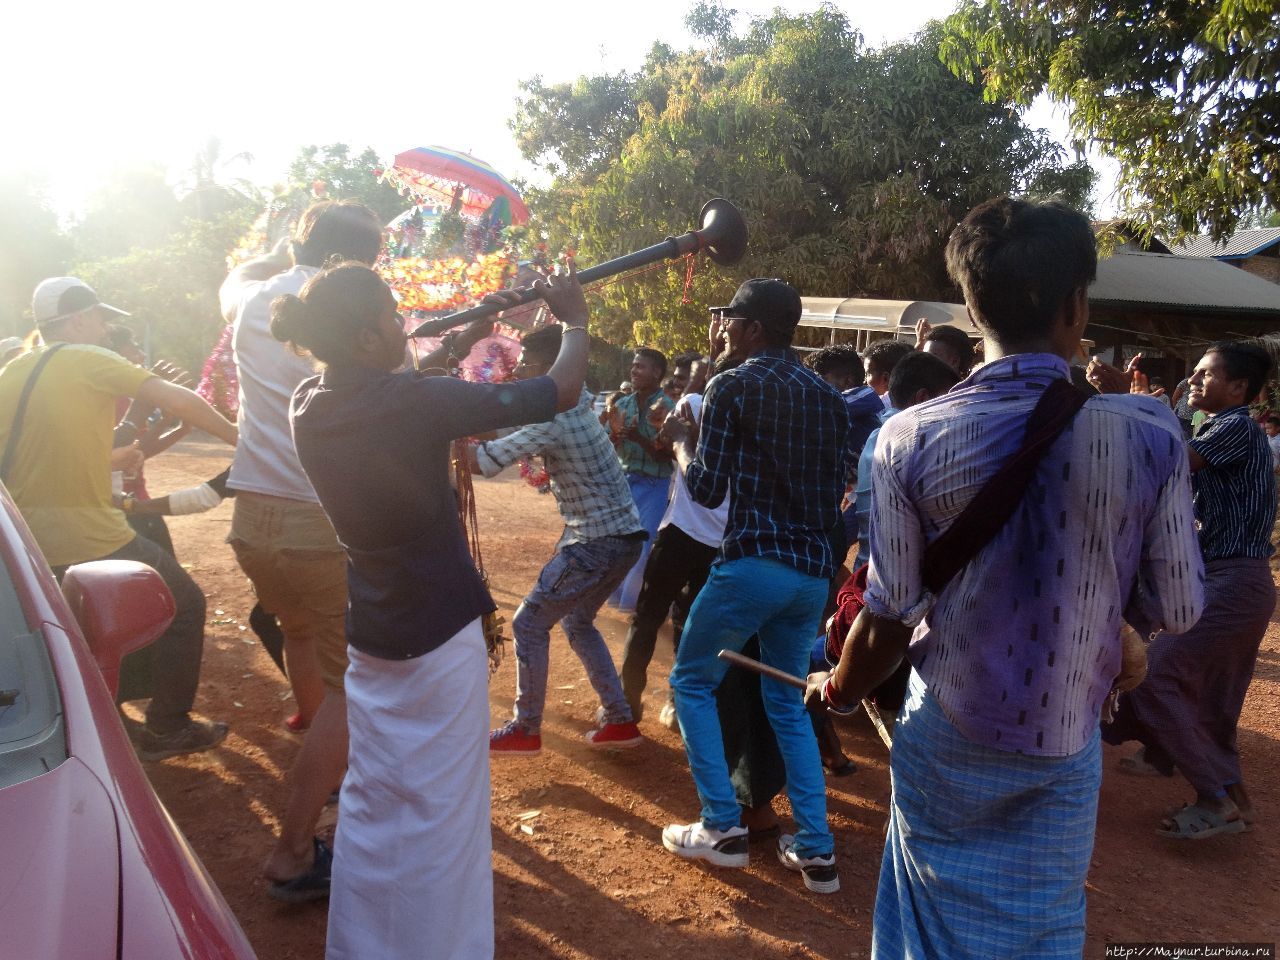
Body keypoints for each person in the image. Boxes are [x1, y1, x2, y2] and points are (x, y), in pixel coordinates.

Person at [808, 198, 1204, 958]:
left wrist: (842, 688)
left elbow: (889, 615)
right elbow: (1180, 606)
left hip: (946, 727)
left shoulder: (907, 437)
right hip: (1066, 733)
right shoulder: (1152, 430)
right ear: (1077, 303)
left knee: (928, 919)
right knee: (1045, 922)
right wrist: (1118, 622)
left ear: (969, 302)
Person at [280, 259, 591, 960]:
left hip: (376, 627)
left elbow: (397, 388)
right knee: (441, 811)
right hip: (439, 631)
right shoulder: (413, 405)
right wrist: (572, 318)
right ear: (365, 337)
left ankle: (363, 945)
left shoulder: (311, 401)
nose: (405, 324)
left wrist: (469, 334)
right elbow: (562, 389)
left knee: (375, 796)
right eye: (394, 317)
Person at [661, 278, 850, 895]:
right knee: (785, 705)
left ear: (753, 329)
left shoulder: (731, 385)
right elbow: (833, 496)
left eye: (729, 321)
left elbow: (709, 489)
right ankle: (816, 851)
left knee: (690, 679)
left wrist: (682, 445)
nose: (722, 331)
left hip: (751, 565)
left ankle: (721, 827)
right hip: (810, 574)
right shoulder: (827, 395)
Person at [1, 277, 239, 760]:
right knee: (182, 604)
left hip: (27, 542)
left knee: (68, 635)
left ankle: (100, 723)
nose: (106, 328)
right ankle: (168, 725)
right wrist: (244, 439)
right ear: (78, 319)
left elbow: (61, 448)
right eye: (100, 317)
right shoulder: (88, 359)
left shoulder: (13, 372)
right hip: (91, 532)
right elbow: (177, 397)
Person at [219, 200, 378, 900]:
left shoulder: (252, 299)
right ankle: (292, 853)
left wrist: (281, 246)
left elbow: (241, 272)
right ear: (363, 264)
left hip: (253, 518)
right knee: (353, 689)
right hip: (322, 520)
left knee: (298, 632)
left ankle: (324, 756)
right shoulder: (356, 313)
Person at [1099, 341, 1276, 838]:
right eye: (1194, 373)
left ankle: (1215, 800)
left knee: (1154, 674)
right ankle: (1225, 789)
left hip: (1232, 579)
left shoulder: (1235, 428)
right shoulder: (1221, 427)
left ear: (1238, 388)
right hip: (1233, 580)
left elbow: (1167, 461)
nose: (1193, 381)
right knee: (1212, 694)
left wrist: (1132, 406)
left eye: (1205, 374)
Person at [472, 323, 645, 756]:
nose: (520, 372)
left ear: (552, 368)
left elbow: (486, 461)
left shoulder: (553, 419)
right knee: (577, 621)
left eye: (527, 364)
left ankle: (525, 728)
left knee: (529, 623)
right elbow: (510, 437)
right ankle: (619, 720)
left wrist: (438, 432)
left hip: (593, 544)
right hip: (622, 539)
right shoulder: (578, 403)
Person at [619, 349, 733, 725]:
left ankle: (627, 704)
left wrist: (706, 367)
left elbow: (666, 440)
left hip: (682, 532)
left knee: (647, 618)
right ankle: (673, 703)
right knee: (689, 624)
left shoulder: (693, 402)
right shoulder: (758, 416)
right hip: (720, 539)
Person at [607, 347, 675, 612]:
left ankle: (630, 603)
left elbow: (666, 456)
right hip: (625, 481)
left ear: (657, 373)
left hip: (654, 486)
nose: (634, 371)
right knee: (619, 540)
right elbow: (608, 444)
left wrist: (636, 438)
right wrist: (615, 436)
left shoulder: (668, 408)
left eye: (641, 366)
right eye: (634, 366)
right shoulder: (621, 405)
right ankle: (614, 598)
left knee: (642, 545)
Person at [861, 338, 914, 409]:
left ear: (885, 378)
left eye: (868, 374)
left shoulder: (874, 410)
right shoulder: (917, 403)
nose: (864, 381)